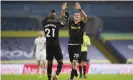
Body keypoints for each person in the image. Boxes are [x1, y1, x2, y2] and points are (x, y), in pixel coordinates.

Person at [61, 2, 88, 80]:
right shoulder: (71, 22)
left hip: (78, 46)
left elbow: (86, 17)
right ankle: (75, 71)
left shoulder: (81, 23)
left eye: (77, 15)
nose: (76, 16)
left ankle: (71, 78)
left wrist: (80, 9)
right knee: (72, 63)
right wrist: (63, 10)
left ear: (80, 17)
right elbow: (63, 17)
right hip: (70, 45)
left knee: (75, 62)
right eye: (75, 15)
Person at [42, 10, 64, 80]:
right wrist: (63, 13)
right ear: (54, 17)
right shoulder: (57, 23)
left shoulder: (45, 23)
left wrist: (48, 16)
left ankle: (49, 78)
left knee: (49, 62)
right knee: (60, 62)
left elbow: (42, 21)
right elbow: (63, 23)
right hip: (55, 44)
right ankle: (56, 75)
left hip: (48, 45)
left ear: (49, 16)